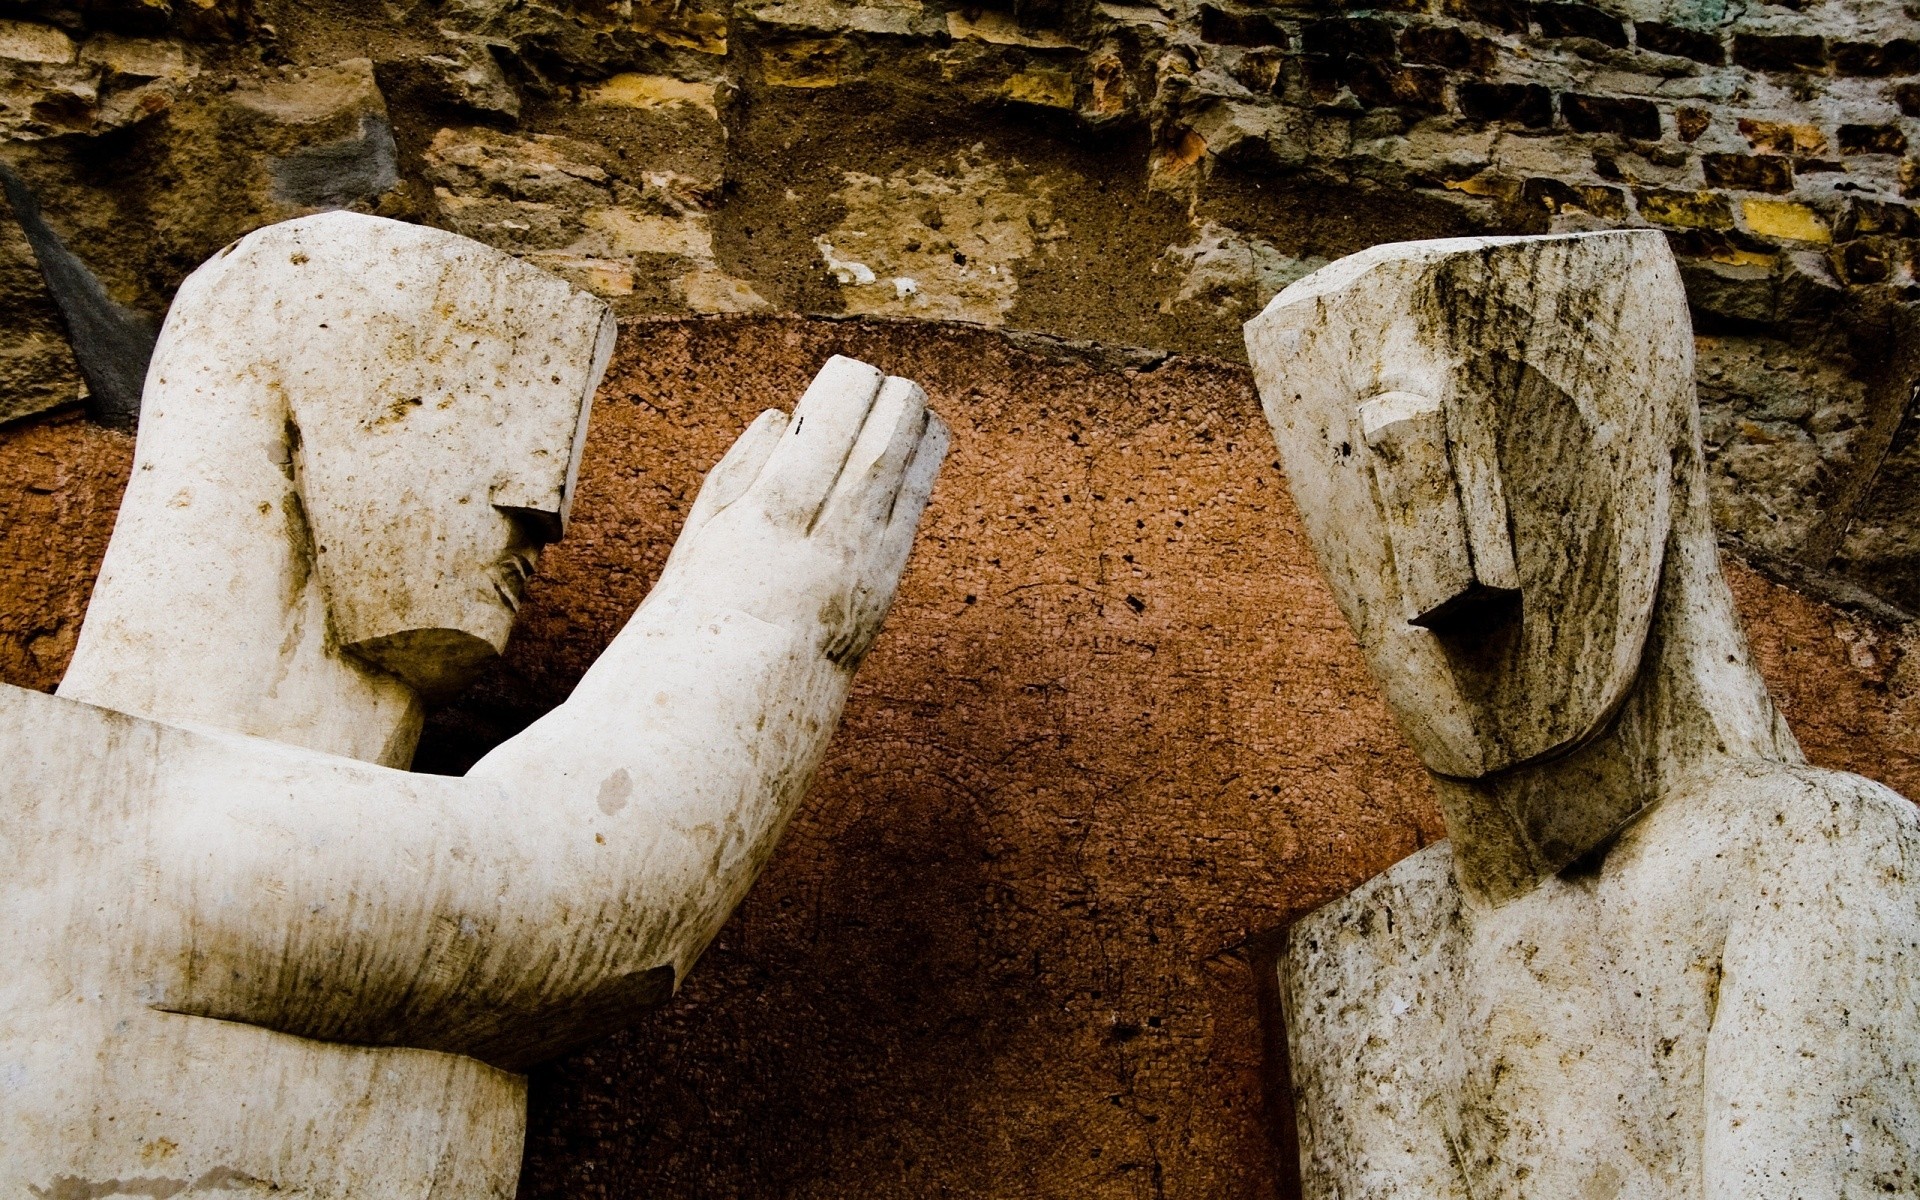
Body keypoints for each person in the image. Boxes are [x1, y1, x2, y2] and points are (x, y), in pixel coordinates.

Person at [2, 211, 946, 1195]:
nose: (545, 505)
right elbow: (589, 898)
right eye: (475, 404)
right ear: (324, 410)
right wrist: (775, 607)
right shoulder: (57, 800)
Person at [1250, 230, 1920, 1198]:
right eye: (1349, 466)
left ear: (1652, 455)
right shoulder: (1372, 947)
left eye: (1509, 437)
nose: (1453, 576)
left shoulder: (1823, 851)